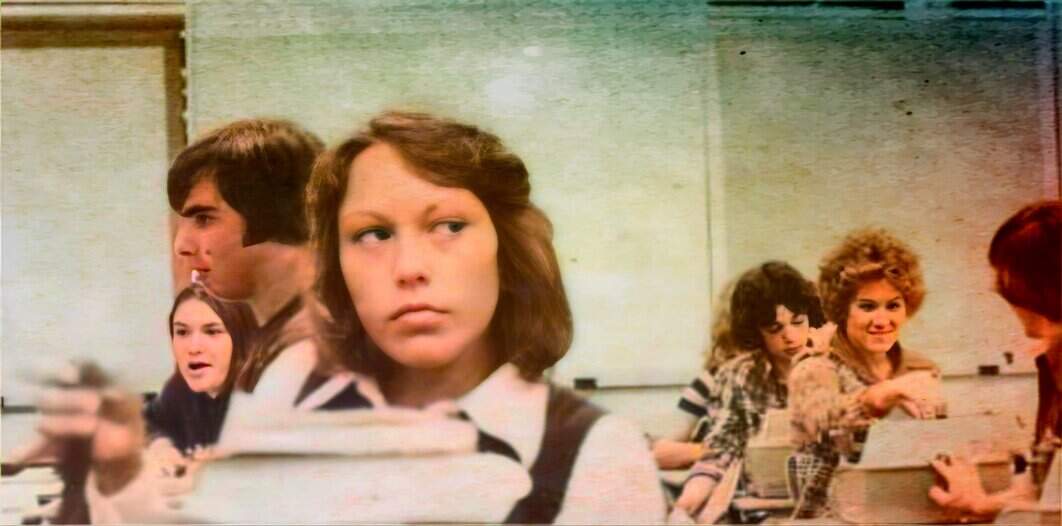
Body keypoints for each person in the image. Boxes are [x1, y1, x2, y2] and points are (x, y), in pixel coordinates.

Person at [294, 110, 668, 523]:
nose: (408, 267)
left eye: (449, 226)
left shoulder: (599, 453)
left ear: (505, 253)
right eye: (373, 235)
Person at [788, 228, 943, 518]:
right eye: (867, 307)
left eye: (893, 306)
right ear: (842, 308)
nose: (882, 320)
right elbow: (824, 425)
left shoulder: (921, 369)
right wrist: (878, 396)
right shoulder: (814, 368)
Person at [929, 200, 1062, 521]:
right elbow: (1046, 493)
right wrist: (978, 504)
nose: (995, 286)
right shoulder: (1050, 361)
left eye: (1006, 275)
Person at [667, 262, 826, 519]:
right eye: (775, 329)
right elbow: (721, 450)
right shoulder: (740, 376)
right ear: (755, 332)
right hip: (759, 510)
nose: (790, 336)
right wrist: (684, 507)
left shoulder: (833, 367)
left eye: (798, 322)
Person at [143, 284, 257, 456]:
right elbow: (142, 419)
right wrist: (160, 444)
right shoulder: (180, 389)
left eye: (212, 332)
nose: (193, 347)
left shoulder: (263, 398)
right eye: (182, 332)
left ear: (241, 338)